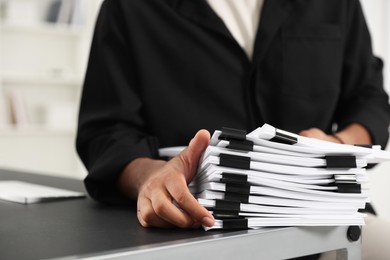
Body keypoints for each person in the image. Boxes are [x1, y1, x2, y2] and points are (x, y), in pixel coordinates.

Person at [76, 0, 390, 259]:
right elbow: (106, 132)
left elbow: (369, 99)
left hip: (322, 229)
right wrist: (150, 177)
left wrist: (336, 144)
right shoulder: (129, 8)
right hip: (190, 236)